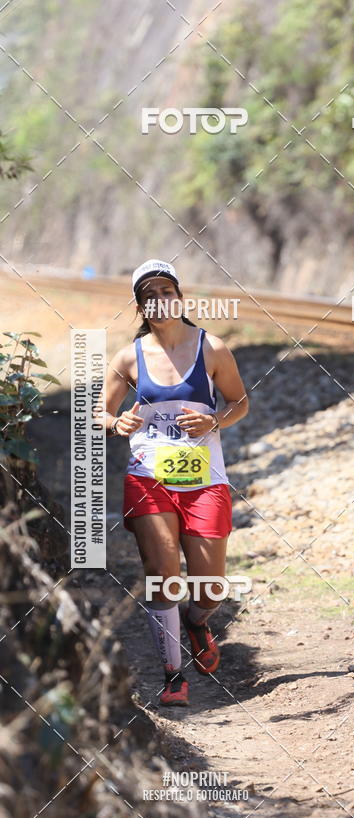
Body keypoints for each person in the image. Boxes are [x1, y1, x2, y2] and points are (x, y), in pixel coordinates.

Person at [98, 259, 249, 706]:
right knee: (162, 575)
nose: (159, 299)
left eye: (166, 290)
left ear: (180, 297)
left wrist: (215, 419)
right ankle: (172, 677)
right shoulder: (129, 357)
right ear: (141, 306)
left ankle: (197, 621)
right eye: (149, 294)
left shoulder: (212, 349)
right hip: (149, 479)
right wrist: (116, 423)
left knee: (210, 587)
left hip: (205, 481)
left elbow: (240, 401)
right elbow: (99, 412)